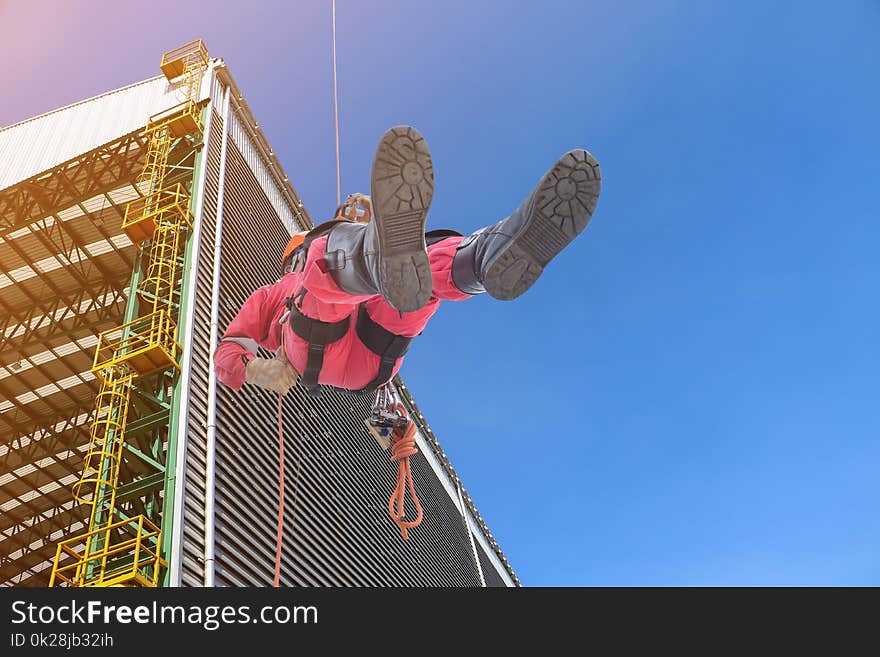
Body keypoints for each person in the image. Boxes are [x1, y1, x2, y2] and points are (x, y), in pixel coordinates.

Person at [213, 126, 601, 398]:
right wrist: (253, 370)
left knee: (420, 274)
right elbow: (226, 350)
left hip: (370, 354)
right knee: (326, 274)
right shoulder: (276, 293)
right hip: (328, 351)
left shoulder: (284, 288)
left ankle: (483, 258)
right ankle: (375, 256)